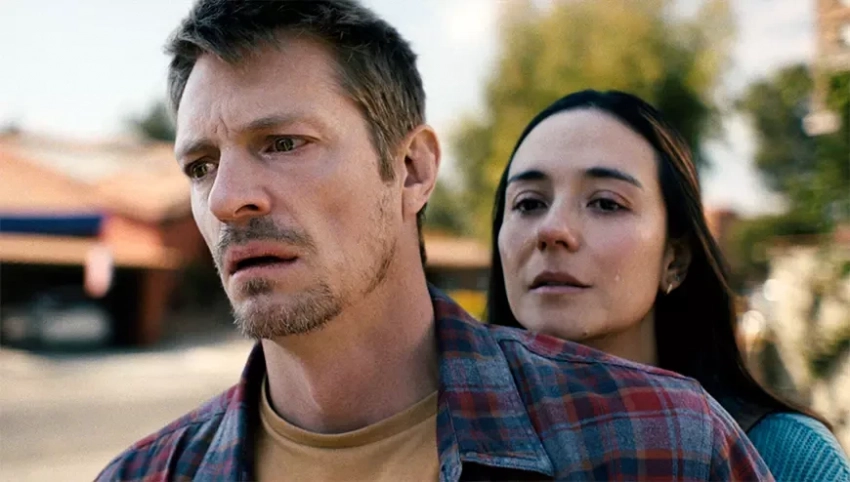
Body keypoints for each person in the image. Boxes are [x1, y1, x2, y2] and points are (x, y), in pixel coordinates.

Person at [97, 2, 774, 480]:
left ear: (412, 170)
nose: (226, 199)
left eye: (283, 143)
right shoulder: (143, 475)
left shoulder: (661, 444)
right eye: (200, 166)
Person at [488, 89, 850, 482]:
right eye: (528, 203)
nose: (552, 230)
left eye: (606, 203)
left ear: (675, 258)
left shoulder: (782, 457)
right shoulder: (451, 444)